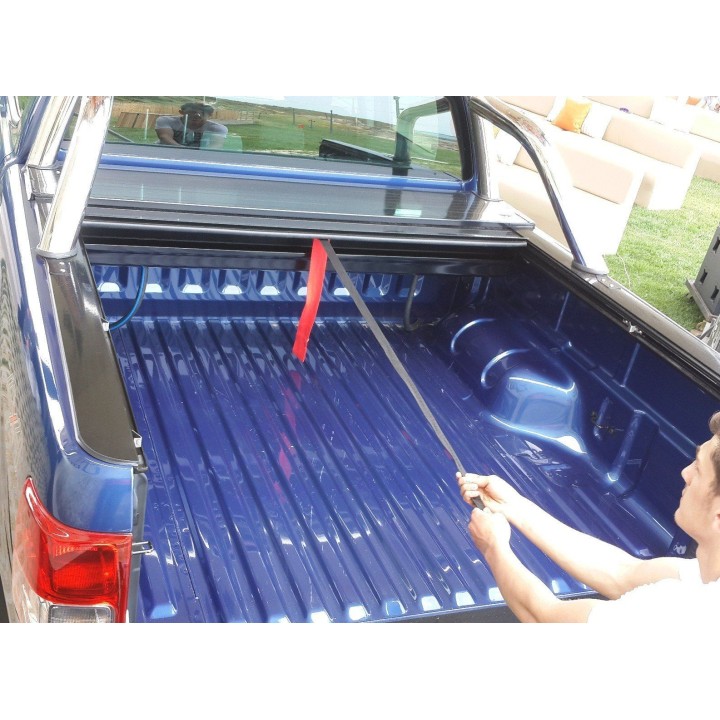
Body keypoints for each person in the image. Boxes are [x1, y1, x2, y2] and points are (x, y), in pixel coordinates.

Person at [456, 412, 720, 623]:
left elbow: (544, 617)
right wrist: (513, 505)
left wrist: (493, 548)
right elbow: (623, 573)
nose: (685, 473)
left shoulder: (682, 615)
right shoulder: (703, 577)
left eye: (698, 468)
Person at [155, 102, 228, 149]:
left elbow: (216, 145)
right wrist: (185, 151)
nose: (196, 116)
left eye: (202, 113)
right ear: (181, 112)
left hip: (200, 156)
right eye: (191, 113)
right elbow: (165, 137)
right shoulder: (167, 121)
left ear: (210, 115)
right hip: (166, 152)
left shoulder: (217, 128)